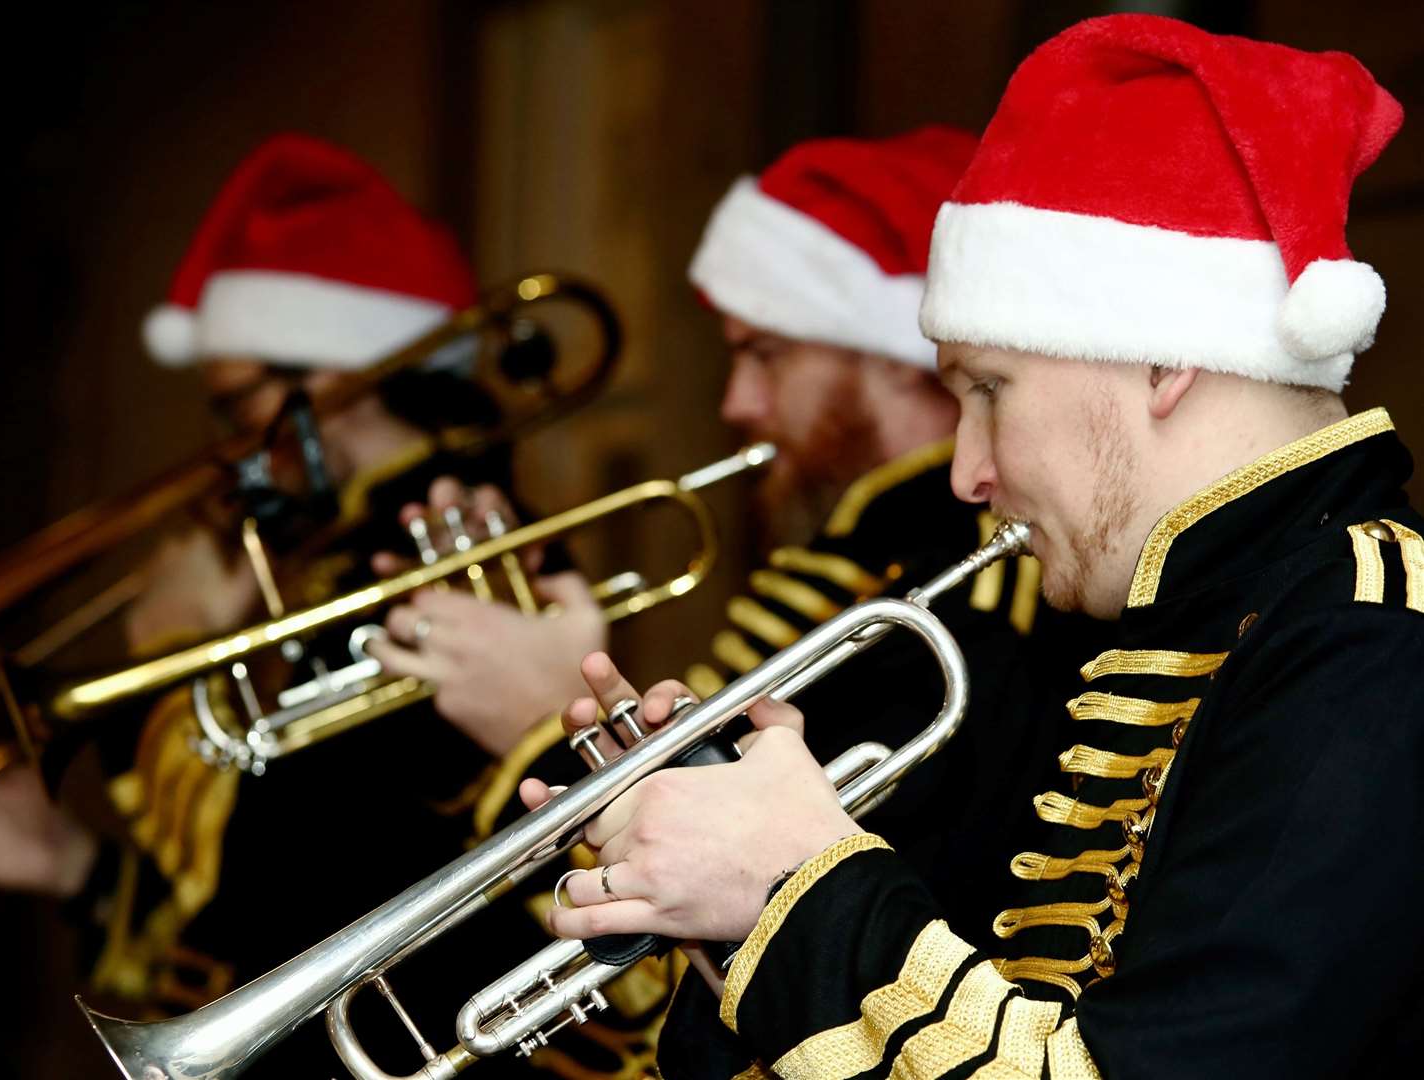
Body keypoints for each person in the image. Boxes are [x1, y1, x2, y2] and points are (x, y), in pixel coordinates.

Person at [534, 15, 1422, 1078]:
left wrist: (797, 880)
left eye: (987, 391)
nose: (964, 473)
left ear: (1160, 360)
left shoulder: (1368, 639)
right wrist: (726, 895)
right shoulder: (1145, 609)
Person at [366, 130, 1099, 1078]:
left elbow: (793, 942)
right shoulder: (846, 567)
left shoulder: (958, 592)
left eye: (766, 355)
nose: (738, 403)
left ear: (890, 356)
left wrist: (538, 728)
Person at [0, 134, 545, 1073]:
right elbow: (291, 900)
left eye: (235, 406)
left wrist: (165, 655)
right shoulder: (347, 544)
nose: (227, 448)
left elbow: (276, 882)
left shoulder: (435, 544)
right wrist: (71, 865)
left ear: (330, 377)